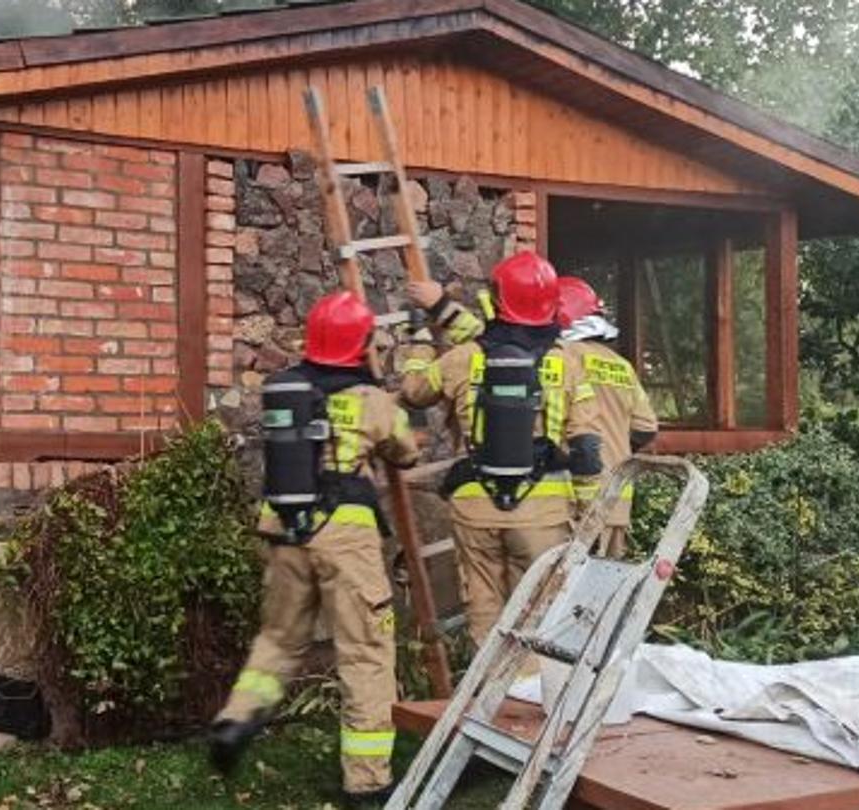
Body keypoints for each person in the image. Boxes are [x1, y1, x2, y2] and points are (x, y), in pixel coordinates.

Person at [208, 291, 420, 803]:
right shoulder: (370, 401)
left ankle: (235, 720)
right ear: (361, 345)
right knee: (366, 653)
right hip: (344, 532)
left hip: (282, 526)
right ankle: (367, 783)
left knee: (279, 636)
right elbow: (406, 454)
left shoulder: (286, 388)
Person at [399, 250, 604, 646]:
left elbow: (414, 391)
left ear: (496, 301)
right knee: (538, 617)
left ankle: (488, 702)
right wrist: (586, 519)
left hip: (475, 507)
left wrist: (421, 340)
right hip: (542, 513)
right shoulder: (569, 363)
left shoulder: (466, 357)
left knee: (485, 613)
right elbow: (588, 449)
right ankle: (527, 698)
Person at [554, 276, 659, 558]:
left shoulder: (559, 357)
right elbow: (646, 428)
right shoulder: (621, 366)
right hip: (617, 499)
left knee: (560, 593)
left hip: (571, 500)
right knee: (603, 592)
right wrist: (615, 451)